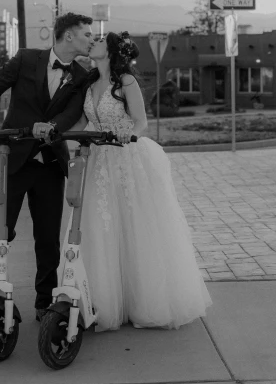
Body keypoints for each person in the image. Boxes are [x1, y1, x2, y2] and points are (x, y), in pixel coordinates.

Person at [0, 12, 94, 321]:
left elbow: (72, 112)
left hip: (49, 164)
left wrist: (51, 126)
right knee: (1, 231)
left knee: (48, 238)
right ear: (69, 35)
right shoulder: (26, 59)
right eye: (87, 33)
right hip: (14, 159)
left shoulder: (82, 76)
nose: (91, 38)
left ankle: (44, 302)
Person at [77, 31, 212, 332]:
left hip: (126, 158)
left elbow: (141, 121)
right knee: (102, 227)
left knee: (135, 227)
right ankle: (103, 299)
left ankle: (143, 301)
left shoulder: (125, 81)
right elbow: (87, 121)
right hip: (99, 160)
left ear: (110, 51)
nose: (91, 44)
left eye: (97, 41)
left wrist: (129, 133)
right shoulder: (90, 83)